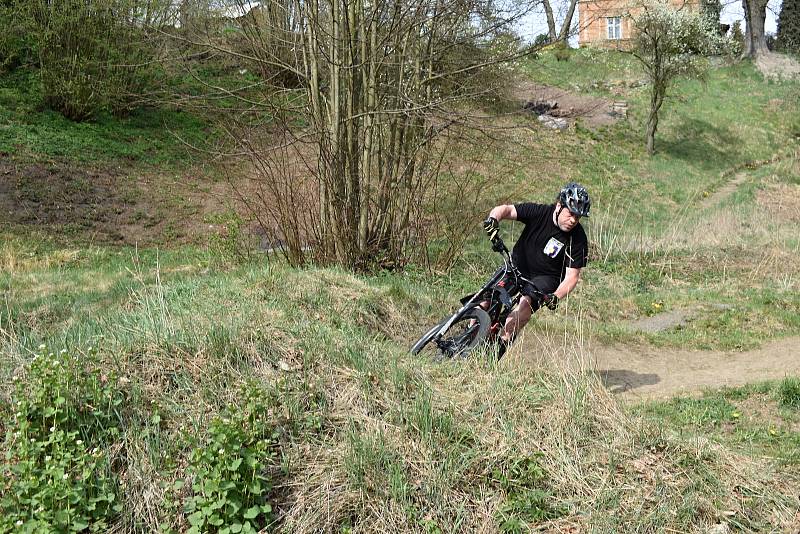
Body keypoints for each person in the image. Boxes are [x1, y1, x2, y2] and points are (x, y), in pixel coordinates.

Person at [482, 182, 591, 357]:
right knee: (485, 301)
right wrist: (493, 220)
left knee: (522, 308)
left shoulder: (578, 239)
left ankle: (492, 354)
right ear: (559, 205)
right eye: (571, 213)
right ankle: (468, 334)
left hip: (544, 279)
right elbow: (506, 210)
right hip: (517, 266)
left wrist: (556, 296)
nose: (573, 220)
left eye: (577, 217)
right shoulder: (539, 212)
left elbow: (572, 276)